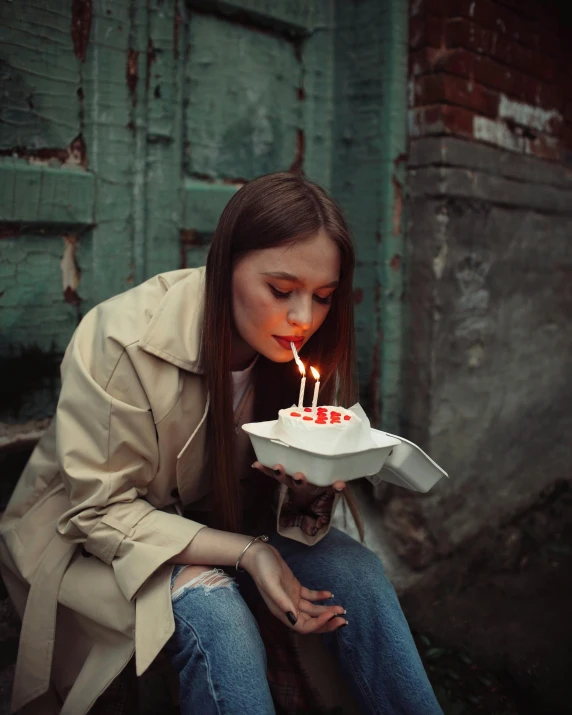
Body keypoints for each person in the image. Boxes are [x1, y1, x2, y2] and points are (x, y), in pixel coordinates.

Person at [0, 172, 443, 715]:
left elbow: (269, 504)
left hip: (217, 521)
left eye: (323, 297)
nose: (303, 319)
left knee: (358, 573)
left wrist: (304, 494)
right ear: (225, 264)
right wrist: (249, 553)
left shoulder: (301, 360)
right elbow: (100, 511)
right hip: (91, 541)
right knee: (217, 610)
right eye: (281, 291)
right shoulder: (122, 340)